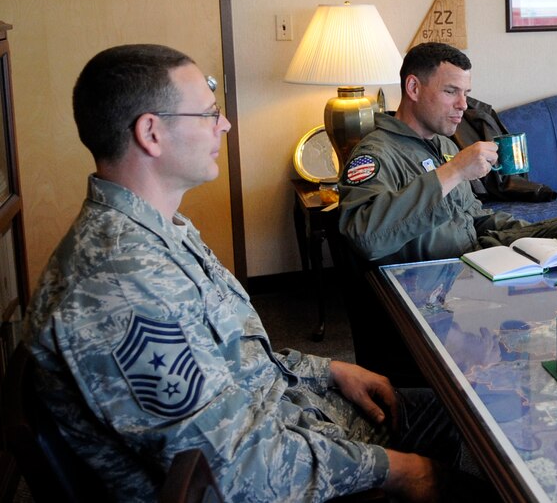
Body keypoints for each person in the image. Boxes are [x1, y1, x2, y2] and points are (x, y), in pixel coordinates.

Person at [24, 44, 488, 502]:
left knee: (460, 414)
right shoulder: (123, 284)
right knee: (483, 482)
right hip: (279, 466)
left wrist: (327, 369)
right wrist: (396, 471)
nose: (224, 124)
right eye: (208, 114)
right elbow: (236, 470)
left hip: (293, 414)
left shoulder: (161, 230)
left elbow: (236, 356)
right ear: (151, 133)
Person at [339, 42, 557, 266]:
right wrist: (454, 171)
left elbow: (471, 216)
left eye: (466, 94)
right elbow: (366, 238)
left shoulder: (444, 145)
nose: (463, 105)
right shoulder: (375, 154)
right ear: (413, 88)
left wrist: (527, 233)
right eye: (450, 91)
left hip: (479, 250)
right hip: (446, 270)